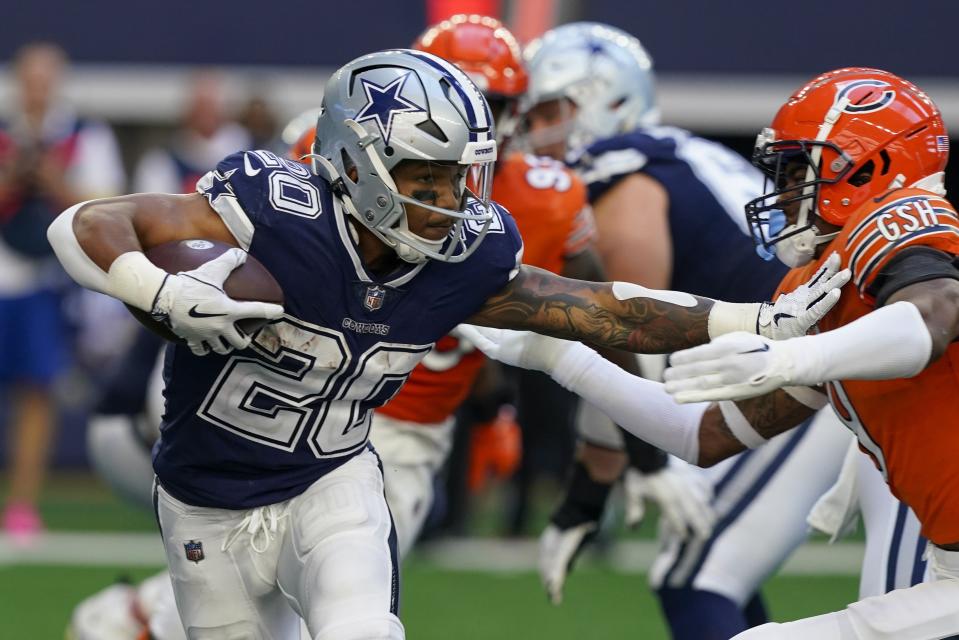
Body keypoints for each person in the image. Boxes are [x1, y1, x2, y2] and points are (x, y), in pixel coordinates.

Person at [48, 49, 841, 639]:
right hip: (203, 500)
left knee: (364, 628)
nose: (450, 202)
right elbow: (87, 224)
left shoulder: (473, 252)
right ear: (356, 165)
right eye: (426, 179)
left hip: (333, 478)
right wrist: (161, 292)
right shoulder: (277, 209)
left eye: (461, 178)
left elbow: (601, 312)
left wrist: (756, 321)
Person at [465, 66, 959, 639]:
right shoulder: (822, 282)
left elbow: (933, 315)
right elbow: (703, 436)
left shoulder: (899, 219)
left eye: (800, 169)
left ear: (869, 167)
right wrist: (563, 359)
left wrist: (790, 357)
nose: (784, 188)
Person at [518, 22, 851, 635]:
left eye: (547, 113)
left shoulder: (623, 179)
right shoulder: (678, 152)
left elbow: (624, 337)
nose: (533, 134)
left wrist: (590, 494)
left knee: (696, 573)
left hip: (816, 371)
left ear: (603, 100)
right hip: (796, 366)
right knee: (704, 562)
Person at [0, 42, 125, 541]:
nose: (37, 89)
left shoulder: (85, 135)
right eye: (29, 79)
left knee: (37, 389)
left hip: (43, 277)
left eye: (45, 79)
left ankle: (23, 503)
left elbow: (107, 202)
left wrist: (54, 181)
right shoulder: (7, 133)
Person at [132, 70, 250, 194]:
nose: (206, 116)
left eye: (211, 106)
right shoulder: (161, 162)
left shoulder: (252, 159)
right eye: (200, 106)